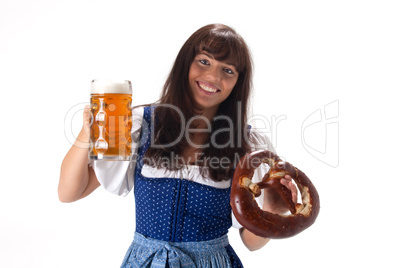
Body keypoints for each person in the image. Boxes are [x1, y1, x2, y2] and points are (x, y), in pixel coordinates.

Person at [59, 23, 297, 268]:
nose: (214, 77)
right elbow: (69, 193)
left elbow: (251, 242)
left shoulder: (246, 146)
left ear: (238, 82)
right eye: (204, 61)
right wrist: (87, 134)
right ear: (185, 63)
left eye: (228, 70)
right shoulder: (141, 126)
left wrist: (272, 209)